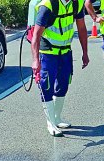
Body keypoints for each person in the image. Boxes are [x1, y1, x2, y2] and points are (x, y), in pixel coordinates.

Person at [31, 0, 89, 137]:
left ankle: (56, 118)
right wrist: (35, 60)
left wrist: (85, 53)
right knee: (47, 87)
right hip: (48, 54)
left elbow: (81, 28)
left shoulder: (77, 3)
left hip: (65, 52)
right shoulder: (47, 6)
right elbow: (36, 36)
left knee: (63, 85)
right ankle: (50, 123)